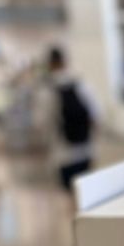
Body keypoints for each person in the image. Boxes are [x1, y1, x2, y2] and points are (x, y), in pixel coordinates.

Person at [35, 46, 98, 192]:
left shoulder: (47, 89)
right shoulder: (81, 84)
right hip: (85, 149)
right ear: (65, 61)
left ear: (50, 64)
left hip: (63, 152)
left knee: (69, 191)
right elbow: (96, 114)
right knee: (86, 191)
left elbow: (41, 122)